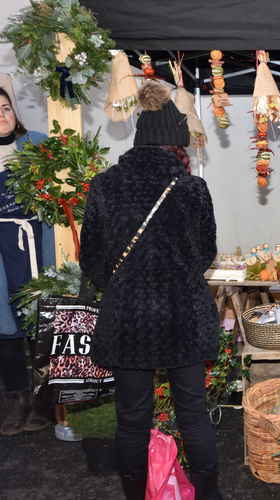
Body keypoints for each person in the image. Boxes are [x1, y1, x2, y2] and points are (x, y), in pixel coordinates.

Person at [80, 82, 222, 500]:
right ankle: (209, 495)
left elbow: (91, 257)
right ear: (175, 145)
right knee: (193, 413)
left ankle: (135, 495)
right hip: (183, 316)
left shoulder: (105, 185)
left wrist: (124, 286)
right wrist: (176, 279)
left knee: (132, 420)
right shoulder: (193, 189)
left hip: (128, 318)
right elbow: (205, 253)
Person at [0, 75, 56, 437]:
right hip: (0, 250)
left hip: (33, 242)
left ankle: (45, 401)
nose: (2, 115)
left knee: (41, 320)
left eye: (5, 108)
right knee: (5, 328)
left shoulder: (35, 144)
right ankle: (15, 401)